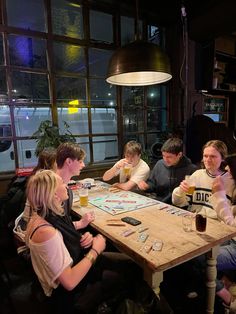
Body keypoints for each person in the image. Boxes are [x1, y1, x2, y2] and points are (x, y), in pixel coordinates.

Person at [25, 170, 173, 314]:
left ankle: (148, 304)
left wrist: (83, 237)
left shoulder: (40, 217)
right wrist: (95, 250)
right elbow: (69, 282)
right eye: (62, 184)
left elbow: (64, 237)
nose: (66, 186)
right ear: (54, 195)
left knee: (133, 265)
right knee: (133, 274)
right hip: (69, 295)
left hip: (75, 264)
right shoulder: (47, 233)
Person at [172, 139, 235, 218]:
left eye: (213, 156)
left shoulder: (231, 180)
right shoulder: (197, 175)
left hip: (218, 225)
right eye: (205, 156)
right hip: (195, 220)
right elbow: (178, 203)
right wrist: (181, 190)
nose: (208, 160)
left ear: (222, 158)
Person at [138, 137, 197, 204]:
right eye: (163, 156)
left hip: (181, 206)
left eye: (169, 157)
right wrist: (146, 186)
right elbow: (152, 184)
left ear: (179, 155)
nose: (165, 159)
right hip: (160, 203)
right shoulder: (160, 164)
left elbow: (193, 195)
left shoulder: (191, 169)